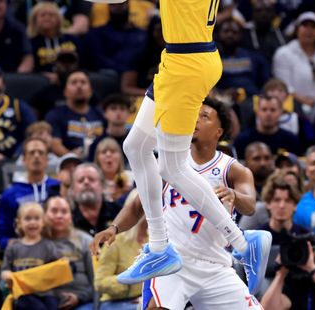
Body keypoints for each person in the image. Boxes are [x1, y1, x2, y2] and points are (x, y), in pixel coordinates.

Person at [38, 0, 268, 287]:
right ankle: (161, 247)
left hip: (186, 65)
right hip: (185, 59)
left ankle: (240, 242)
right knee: (135, 146)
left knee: (175, 168)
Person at [90, 98, 264, 306]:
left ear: (219, 132)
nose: (196, 120)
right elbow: (138, 205)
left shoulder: (232, 169)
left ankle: (245, 246)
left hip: (215, 264)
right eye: (195, 115)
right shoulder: (169, 164)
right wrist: (114, 228)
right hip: (175, 262)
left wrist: (235, 195)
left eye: (204, 116)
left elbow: (251, 205)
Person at [1, 202, 63, 310]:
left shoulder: (48, 246)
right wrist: (7, 275)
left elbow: (57, 269)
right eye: (28, 219)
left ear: (43, 222)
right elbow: (5, 270)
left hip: (46, 293)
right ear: (19, 223)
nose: (32, 222)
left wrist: (63, 264)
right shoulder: (13, 247)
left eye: (36, 218)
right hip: (22, 293)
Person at [44, 196, 95, 310]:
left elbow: (97, 281)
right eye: (54, 211)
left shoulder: (85, 241)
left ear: (71, 216)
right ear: (44, 214)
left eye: (64, 211)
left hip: (82, 302)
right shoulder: (37, 242)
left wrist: (79, 297)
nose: (59, 216)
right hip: (46, 302)